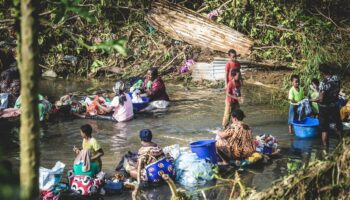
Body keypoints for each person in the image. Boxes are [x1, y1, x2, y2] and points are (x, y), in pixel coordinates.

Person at [313, 64, 342, 147]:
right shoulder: (336, 78)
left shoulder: (323, 83)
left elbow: (321, 99)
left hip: (324, 108)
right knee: (338, 125)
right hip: (335, 106)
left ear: (322, 72)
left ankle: (325, 149)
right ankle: (341, 145)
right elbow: (337, 91)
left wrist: (312, 100)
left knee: (324, 129)